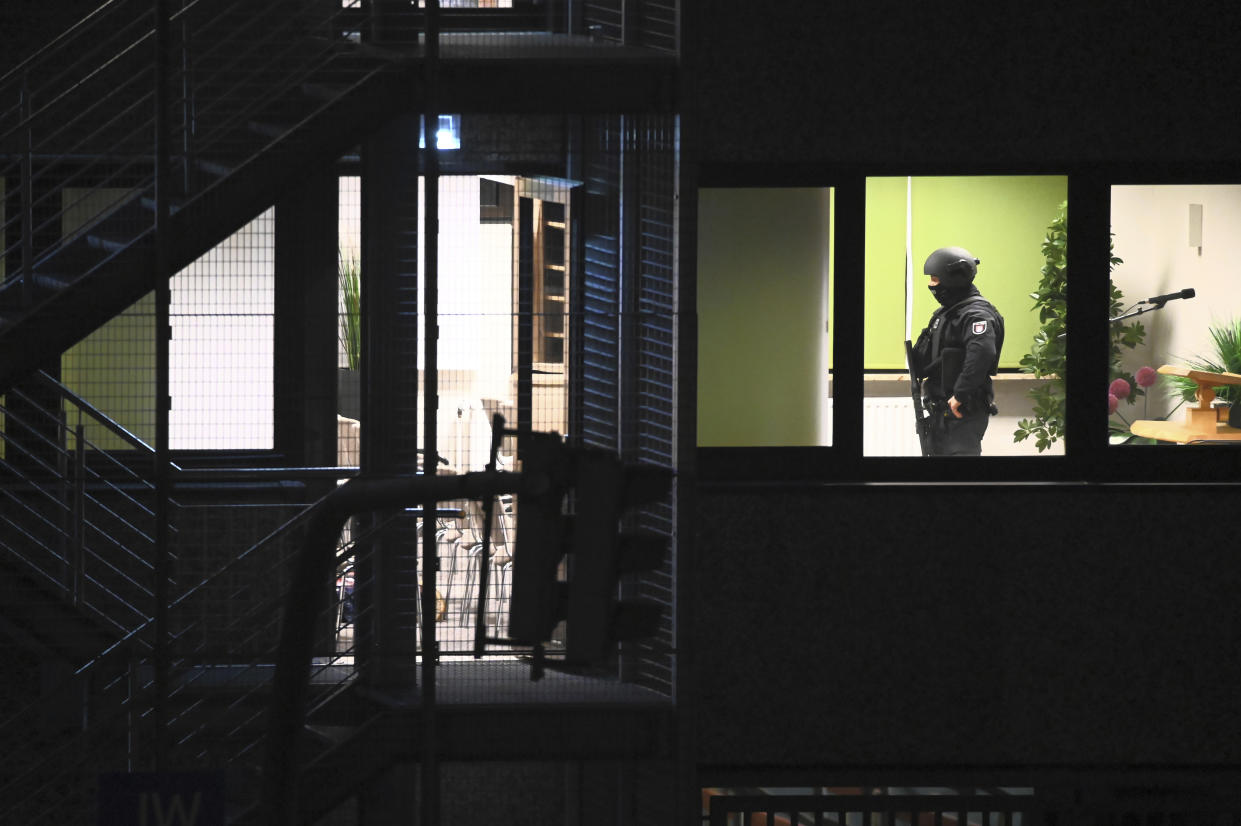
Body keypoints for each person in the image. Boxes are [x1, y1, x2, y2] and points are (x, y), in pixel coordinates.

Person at [910, 246, 1005, 456]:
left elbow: (982, 354)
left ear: (953, 278)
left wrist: (960, 395)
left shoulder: (976, 315)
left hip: (962, 411)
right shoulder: (949, 313)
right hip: (942, 411)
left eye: (935, 279)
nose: (930, 284)